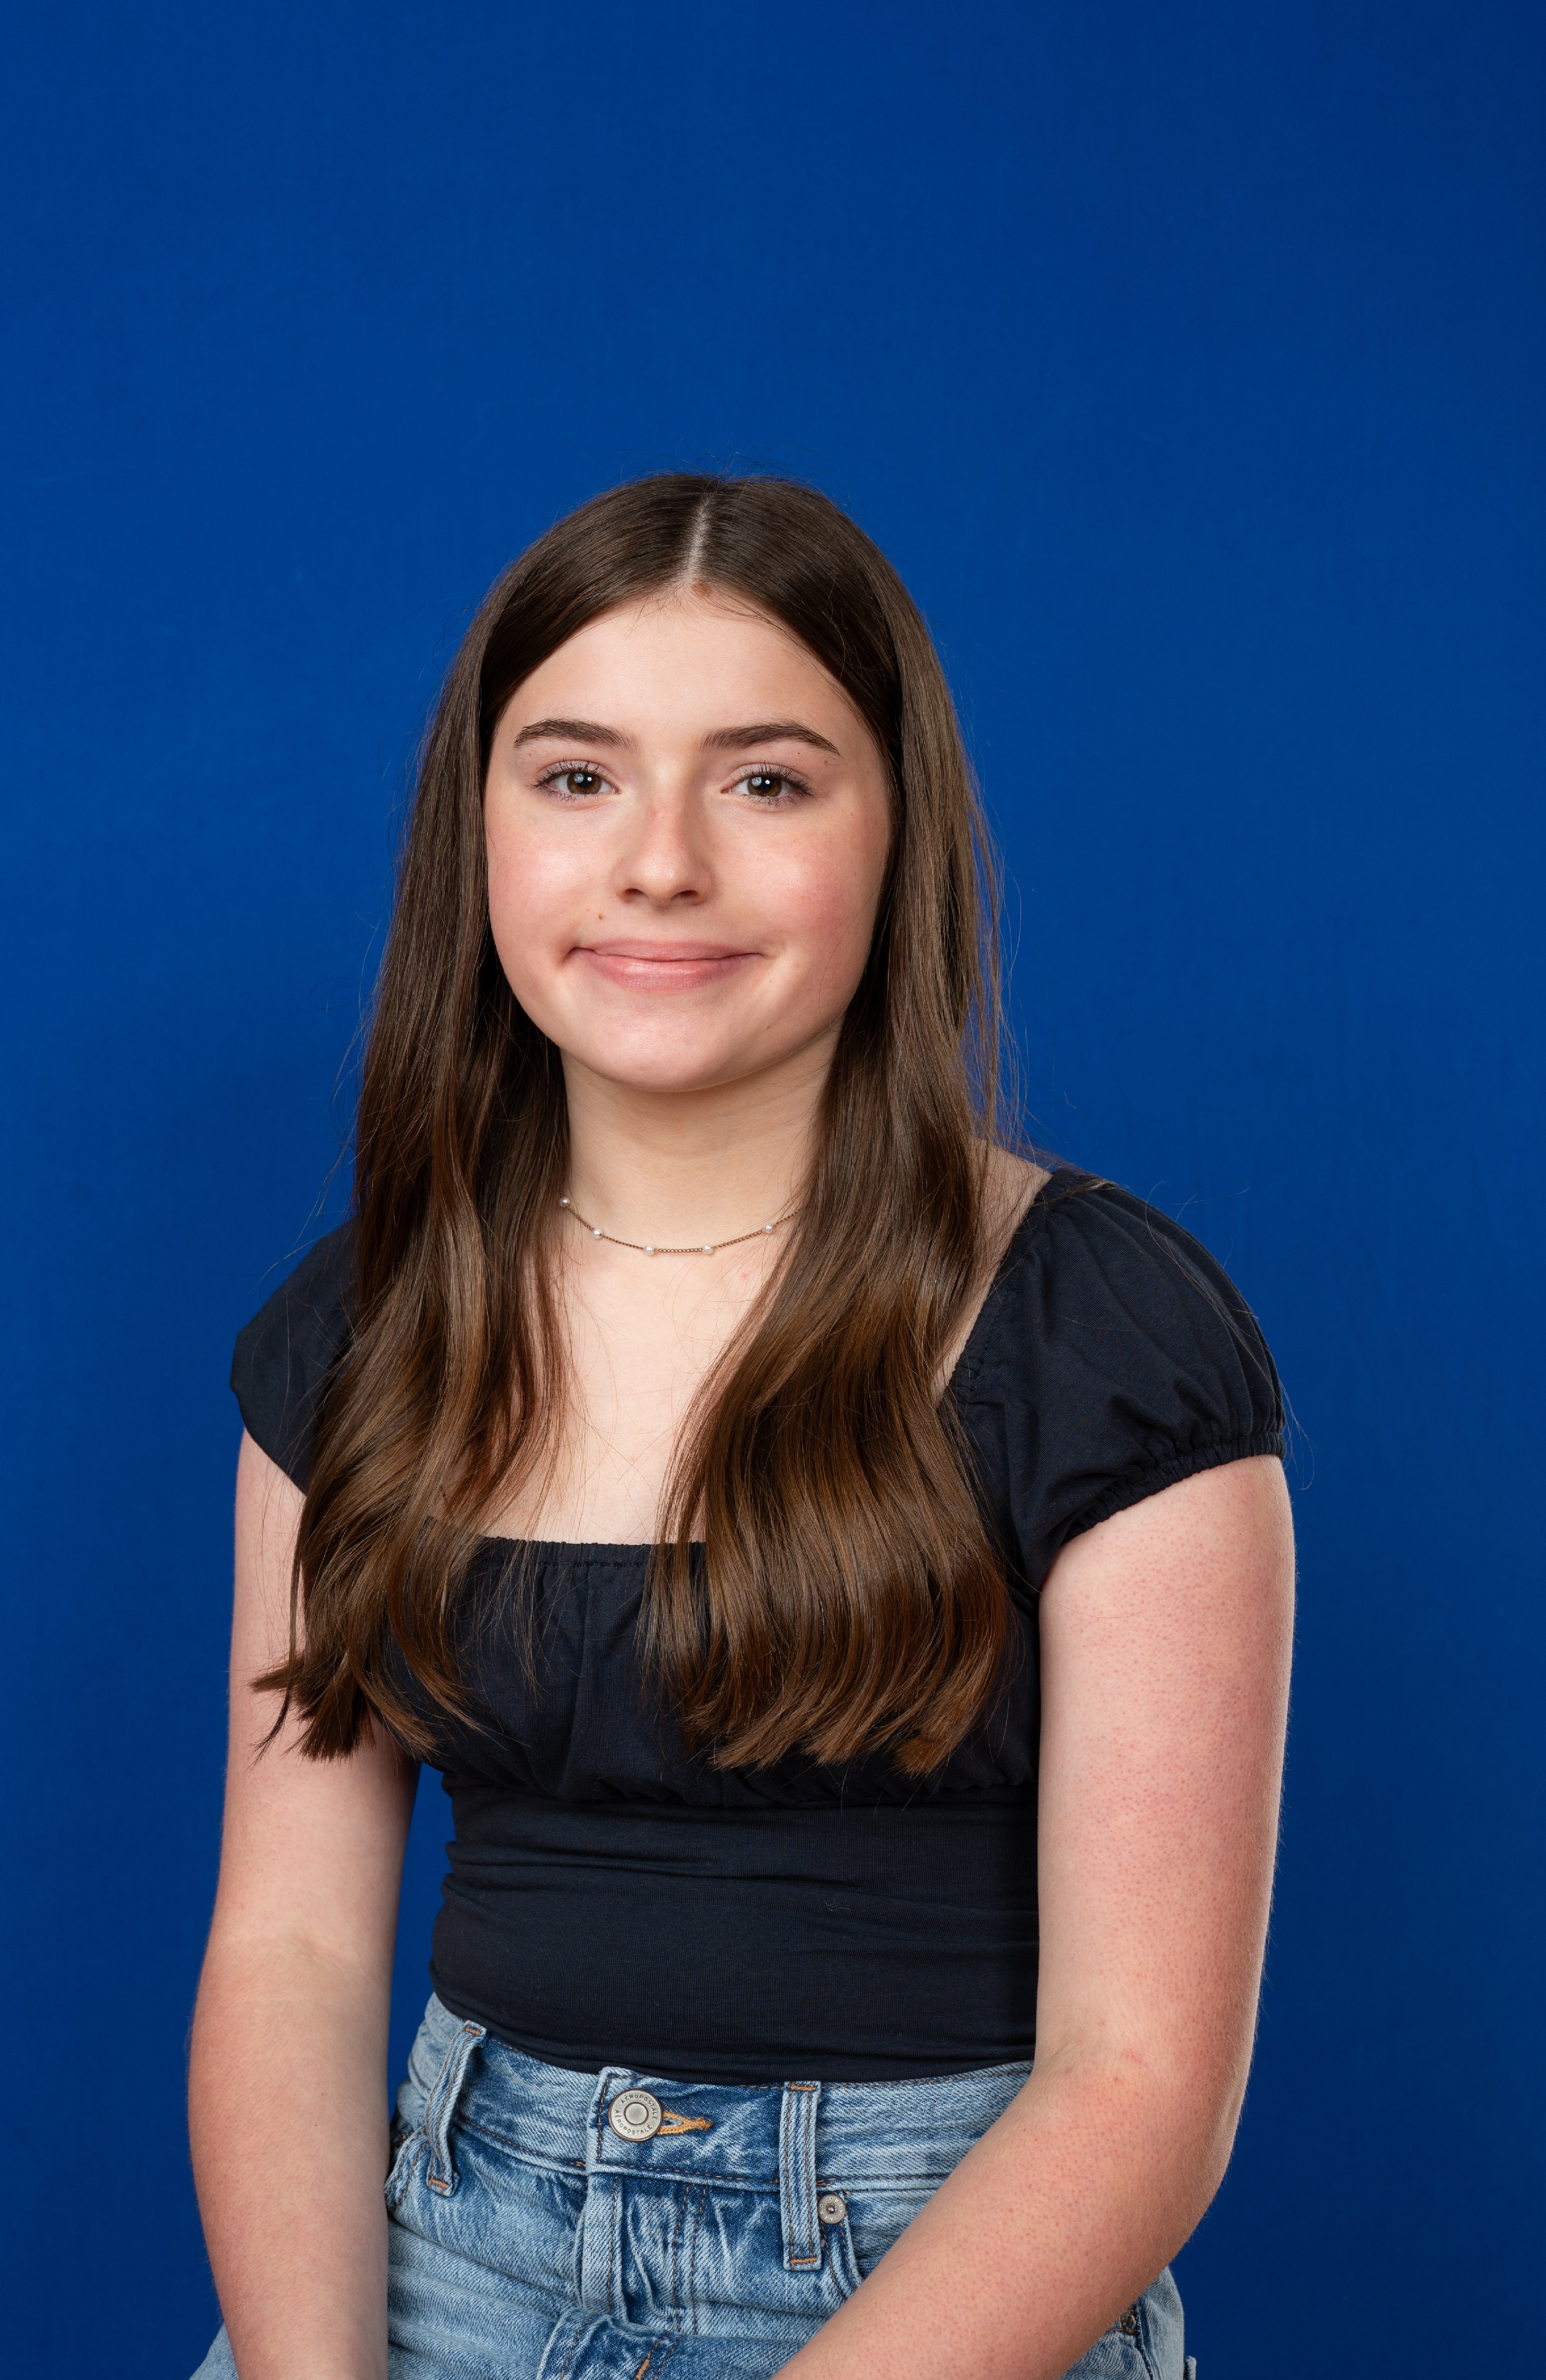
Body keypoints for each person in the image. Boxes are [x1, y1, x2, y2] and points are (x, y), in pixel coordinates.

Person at [187, 473, 1293, 2380]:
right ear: (479, 831)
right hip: (437, 2260)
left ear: (898, 833)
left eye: (767, 780)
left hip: (932, 2299)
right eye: (576, 776)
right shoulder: (363, 1330)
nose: (661, 863)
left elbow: (1142, 2083)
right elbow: (291, 1953)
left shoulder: (1107, 1340)